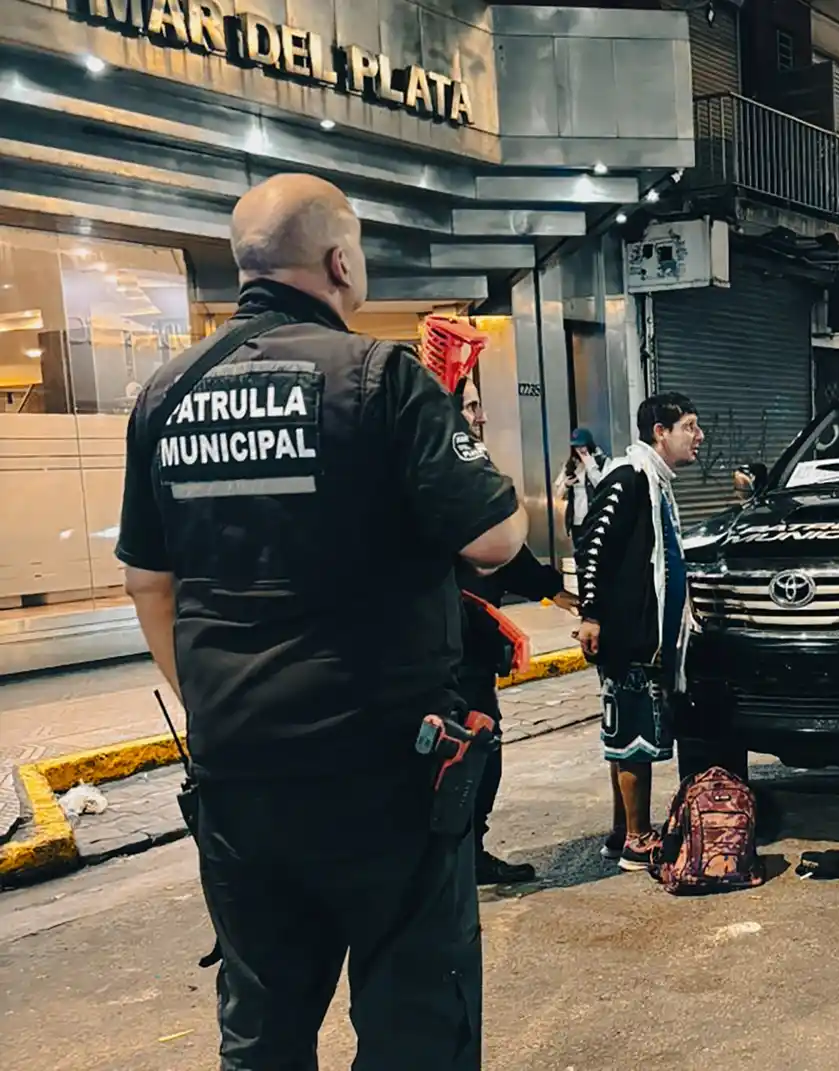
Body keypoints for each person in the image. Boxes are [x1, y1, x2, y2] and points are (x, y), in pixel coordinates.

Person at [114, 174, 529, 1068]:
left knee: (262, 1025)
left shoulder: (165, 393)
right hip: (388, 775)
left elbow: (149, 582)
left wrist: (218, 701)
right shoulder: (382, 380)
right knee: (415, 1022)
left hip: (238, 776)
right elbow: (495, 539)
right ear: (341, 262)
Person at [451, 376, 580, 886]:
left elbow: (519, 566)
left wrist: (569, 598)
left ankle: (464, 855)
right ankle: (457, 862)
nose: (481, 417)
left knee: (476, 754)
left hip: (467, 648)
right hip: (449, 651)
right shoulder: (443, 480)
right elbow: (504, 545)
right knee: (471, 754)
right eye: (471, 407)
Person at [573, 392, 703, 870]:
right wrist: (590, 613)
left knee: (629, 736)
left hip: (643, 638)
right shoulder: (629, 478)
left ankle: (619, 832)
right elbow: (591, 545)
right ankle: (636, 837)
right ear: (660, 433)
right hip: (629, 638)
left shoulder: (655, 483)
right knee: (633, 739)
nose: (698, 436)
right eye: (689, 426)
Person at [555, 427, 609, 543]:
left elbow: (602, 487)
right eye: (576, 447)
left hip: (595, 519)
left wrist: (590, 464)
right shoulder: (571, 465)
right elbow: (557, 494)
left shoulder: (601, 462)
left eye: (582, 446)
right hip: (577, 522)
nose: (579, 450)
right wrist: (566, 484)